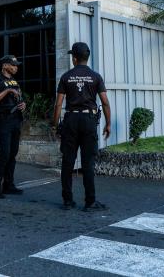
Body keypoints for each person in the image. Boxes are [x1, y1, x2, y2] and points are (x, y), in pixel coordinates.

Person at [52, 42, 111, 211]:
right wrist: (108, 123)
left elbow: (58, 105)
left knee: (68, 162)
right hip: (89, 120)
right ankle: (90, 202)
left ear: (75, 58)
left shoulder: (66, 77)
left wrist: (55, 125)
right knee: (88, 163)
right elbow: (105, 103)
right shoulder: (96, 76)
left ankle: (67, 201)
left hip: (70, 120)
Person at [0, 55, 26, 199]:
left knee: (13, 154)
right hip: (4, 120)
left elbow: (20, 97)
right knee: (4, 154)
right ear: (4, 66)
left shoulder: (15, 82)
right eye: (13, 65)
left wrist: (23, 104)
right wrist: (8, 91)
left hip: (16, 119)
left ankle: (8, 185)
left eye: (16, 65)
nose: (16, 67)